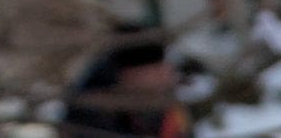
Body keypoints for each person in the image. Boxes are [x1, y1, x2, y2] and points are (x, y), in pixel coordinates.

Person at [61, 29, 192, 137]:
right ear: (130, 74)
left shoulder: (163, 104)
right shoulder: (91, 110)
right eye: (157, 72)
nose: (168, 77)